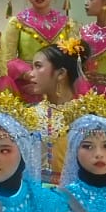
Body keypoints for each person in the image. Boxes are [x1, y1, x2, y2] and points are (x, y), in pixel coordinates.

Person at [27, 39, 88, 168]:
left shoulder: (86, 116)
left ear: (61, 73)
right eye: (32, 67)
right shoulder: (28, 115)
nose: (31, 74)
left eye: (38, 66)